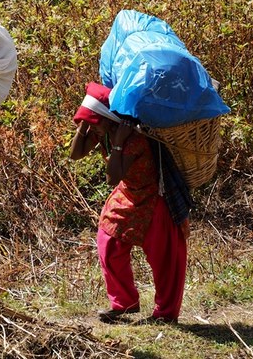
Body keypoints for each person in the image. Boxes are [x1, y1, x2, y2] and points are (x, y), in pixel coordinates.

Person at [69, 82, 189, 323]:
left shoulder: (133, 138)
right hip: (129, 193)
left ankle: (165, 314)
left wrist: (118, 142)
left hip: (156, 197)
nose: (94, 128)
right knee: (109, 242)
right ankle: (124, 303)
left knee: (164, 257)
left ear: (109, 119)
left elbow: (113, 176)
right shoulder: (103, 130)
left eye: (96, 122)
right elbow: (75, 153)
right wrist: (84, 125)